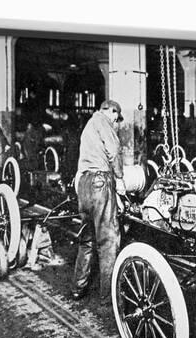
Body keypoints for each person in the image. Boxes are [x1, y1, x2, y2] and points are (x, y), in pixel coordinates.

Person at [71, 100, 126, 306]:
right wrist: (120, 179)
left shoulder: (89, 126)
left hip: (84, 183)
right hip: (100, 182)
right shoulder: (103, 122)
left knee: (87, 238)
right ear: (110, 111)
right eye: (116, 116)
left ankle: (78, 287)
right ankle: (109, 295)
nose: (116, 121)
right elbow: (114, 150)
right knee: (108, 239)